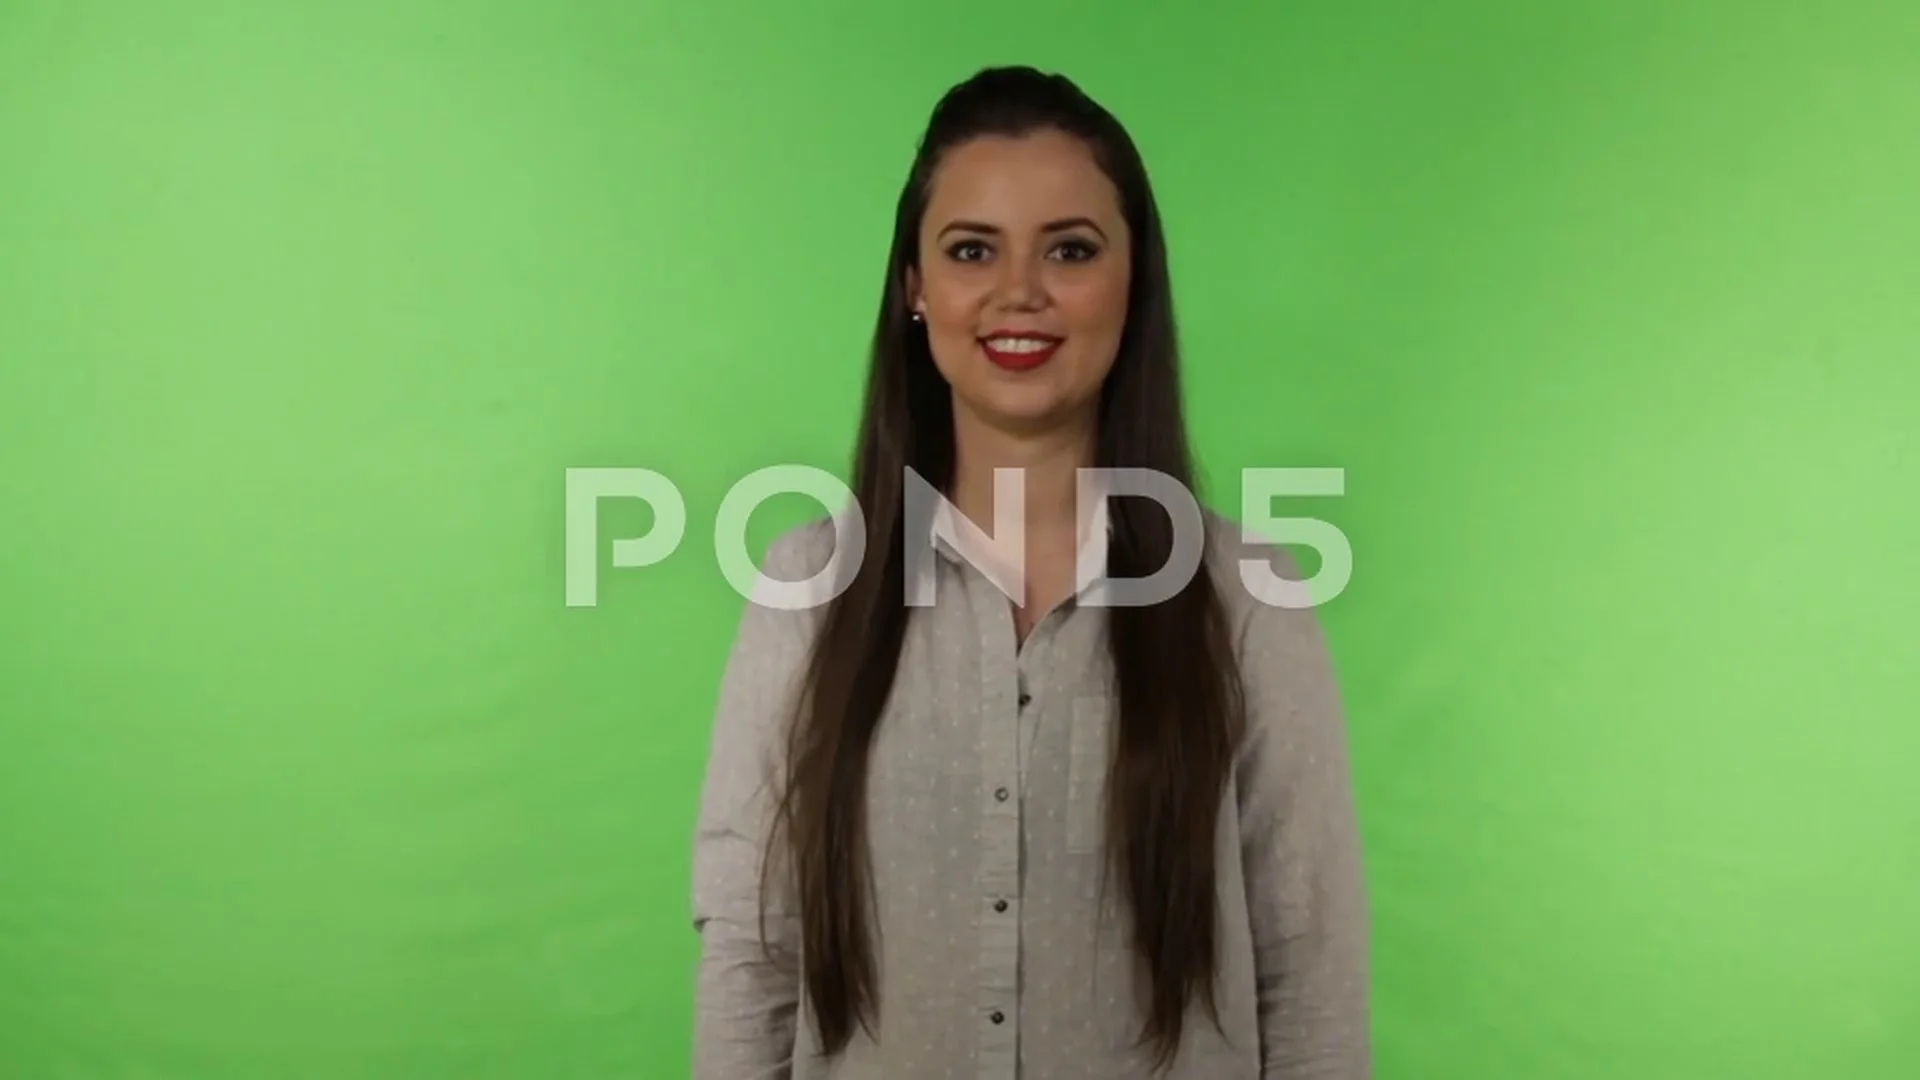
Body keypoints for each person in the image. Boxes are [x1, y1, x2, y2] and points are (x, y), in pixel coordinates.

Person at [691, 65, 1369, 1079]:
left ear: (1133, 280)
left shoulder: (1248, 599)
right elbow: (753, 954)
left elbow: (1308, 975)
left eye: (1071, 249)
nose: (1020, 292)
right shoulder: (807, 590)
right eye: (972, 250)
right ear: (914, 289)